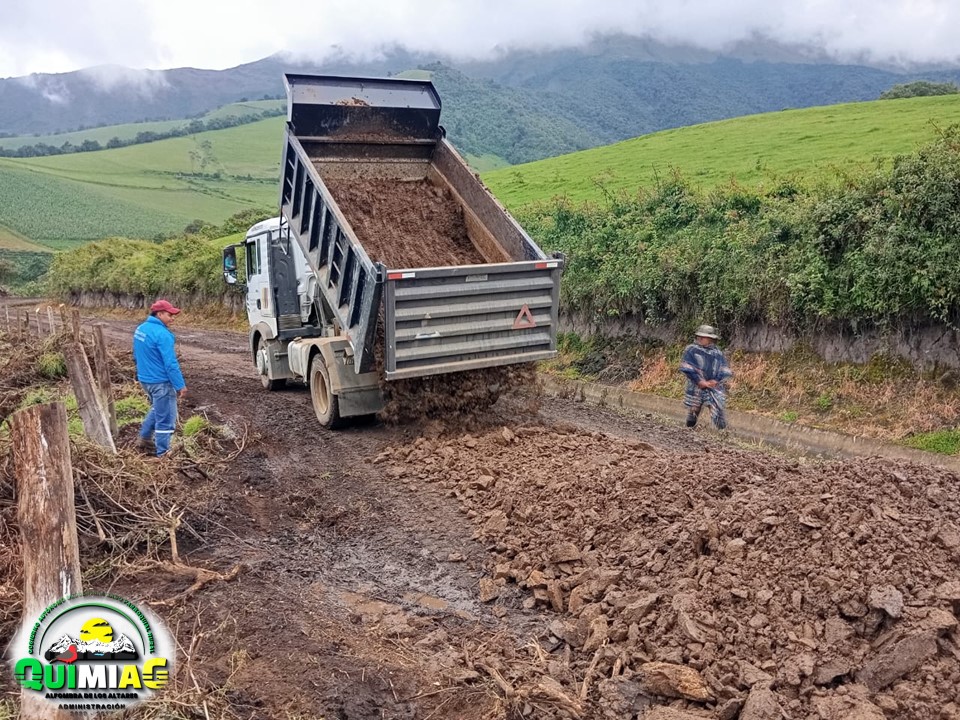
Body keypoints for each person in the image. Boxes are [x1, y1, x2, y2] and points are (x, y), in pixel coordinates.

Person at [133, 299, 187, 456]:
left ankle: (144, 438)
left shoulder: (140, 329)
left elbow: (135, 355)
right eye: (170, 315)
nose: (172, 318)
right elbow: (170, 363)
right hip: (161, 382)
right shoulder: (163, 335)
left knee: (157, 408)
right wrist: (180, 385)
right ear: (160, 314)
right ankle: (163, 453)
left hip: (145, 380)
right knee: (166, 418)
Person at [679, 324, 733, 430]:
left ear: (710, 339)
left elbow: (724, 369)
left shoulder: (717, 353)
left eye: (703, 337)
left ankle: (722, 432)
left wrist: (715, 381)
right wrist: (699, 381)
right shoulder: (691, 349)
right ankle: (689, 429)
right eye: (699, 337)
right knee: (694, 409)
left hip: (713, 386)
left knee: (717, 408)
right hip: (696, 385)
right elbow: (687, 367)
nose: (700, 339)